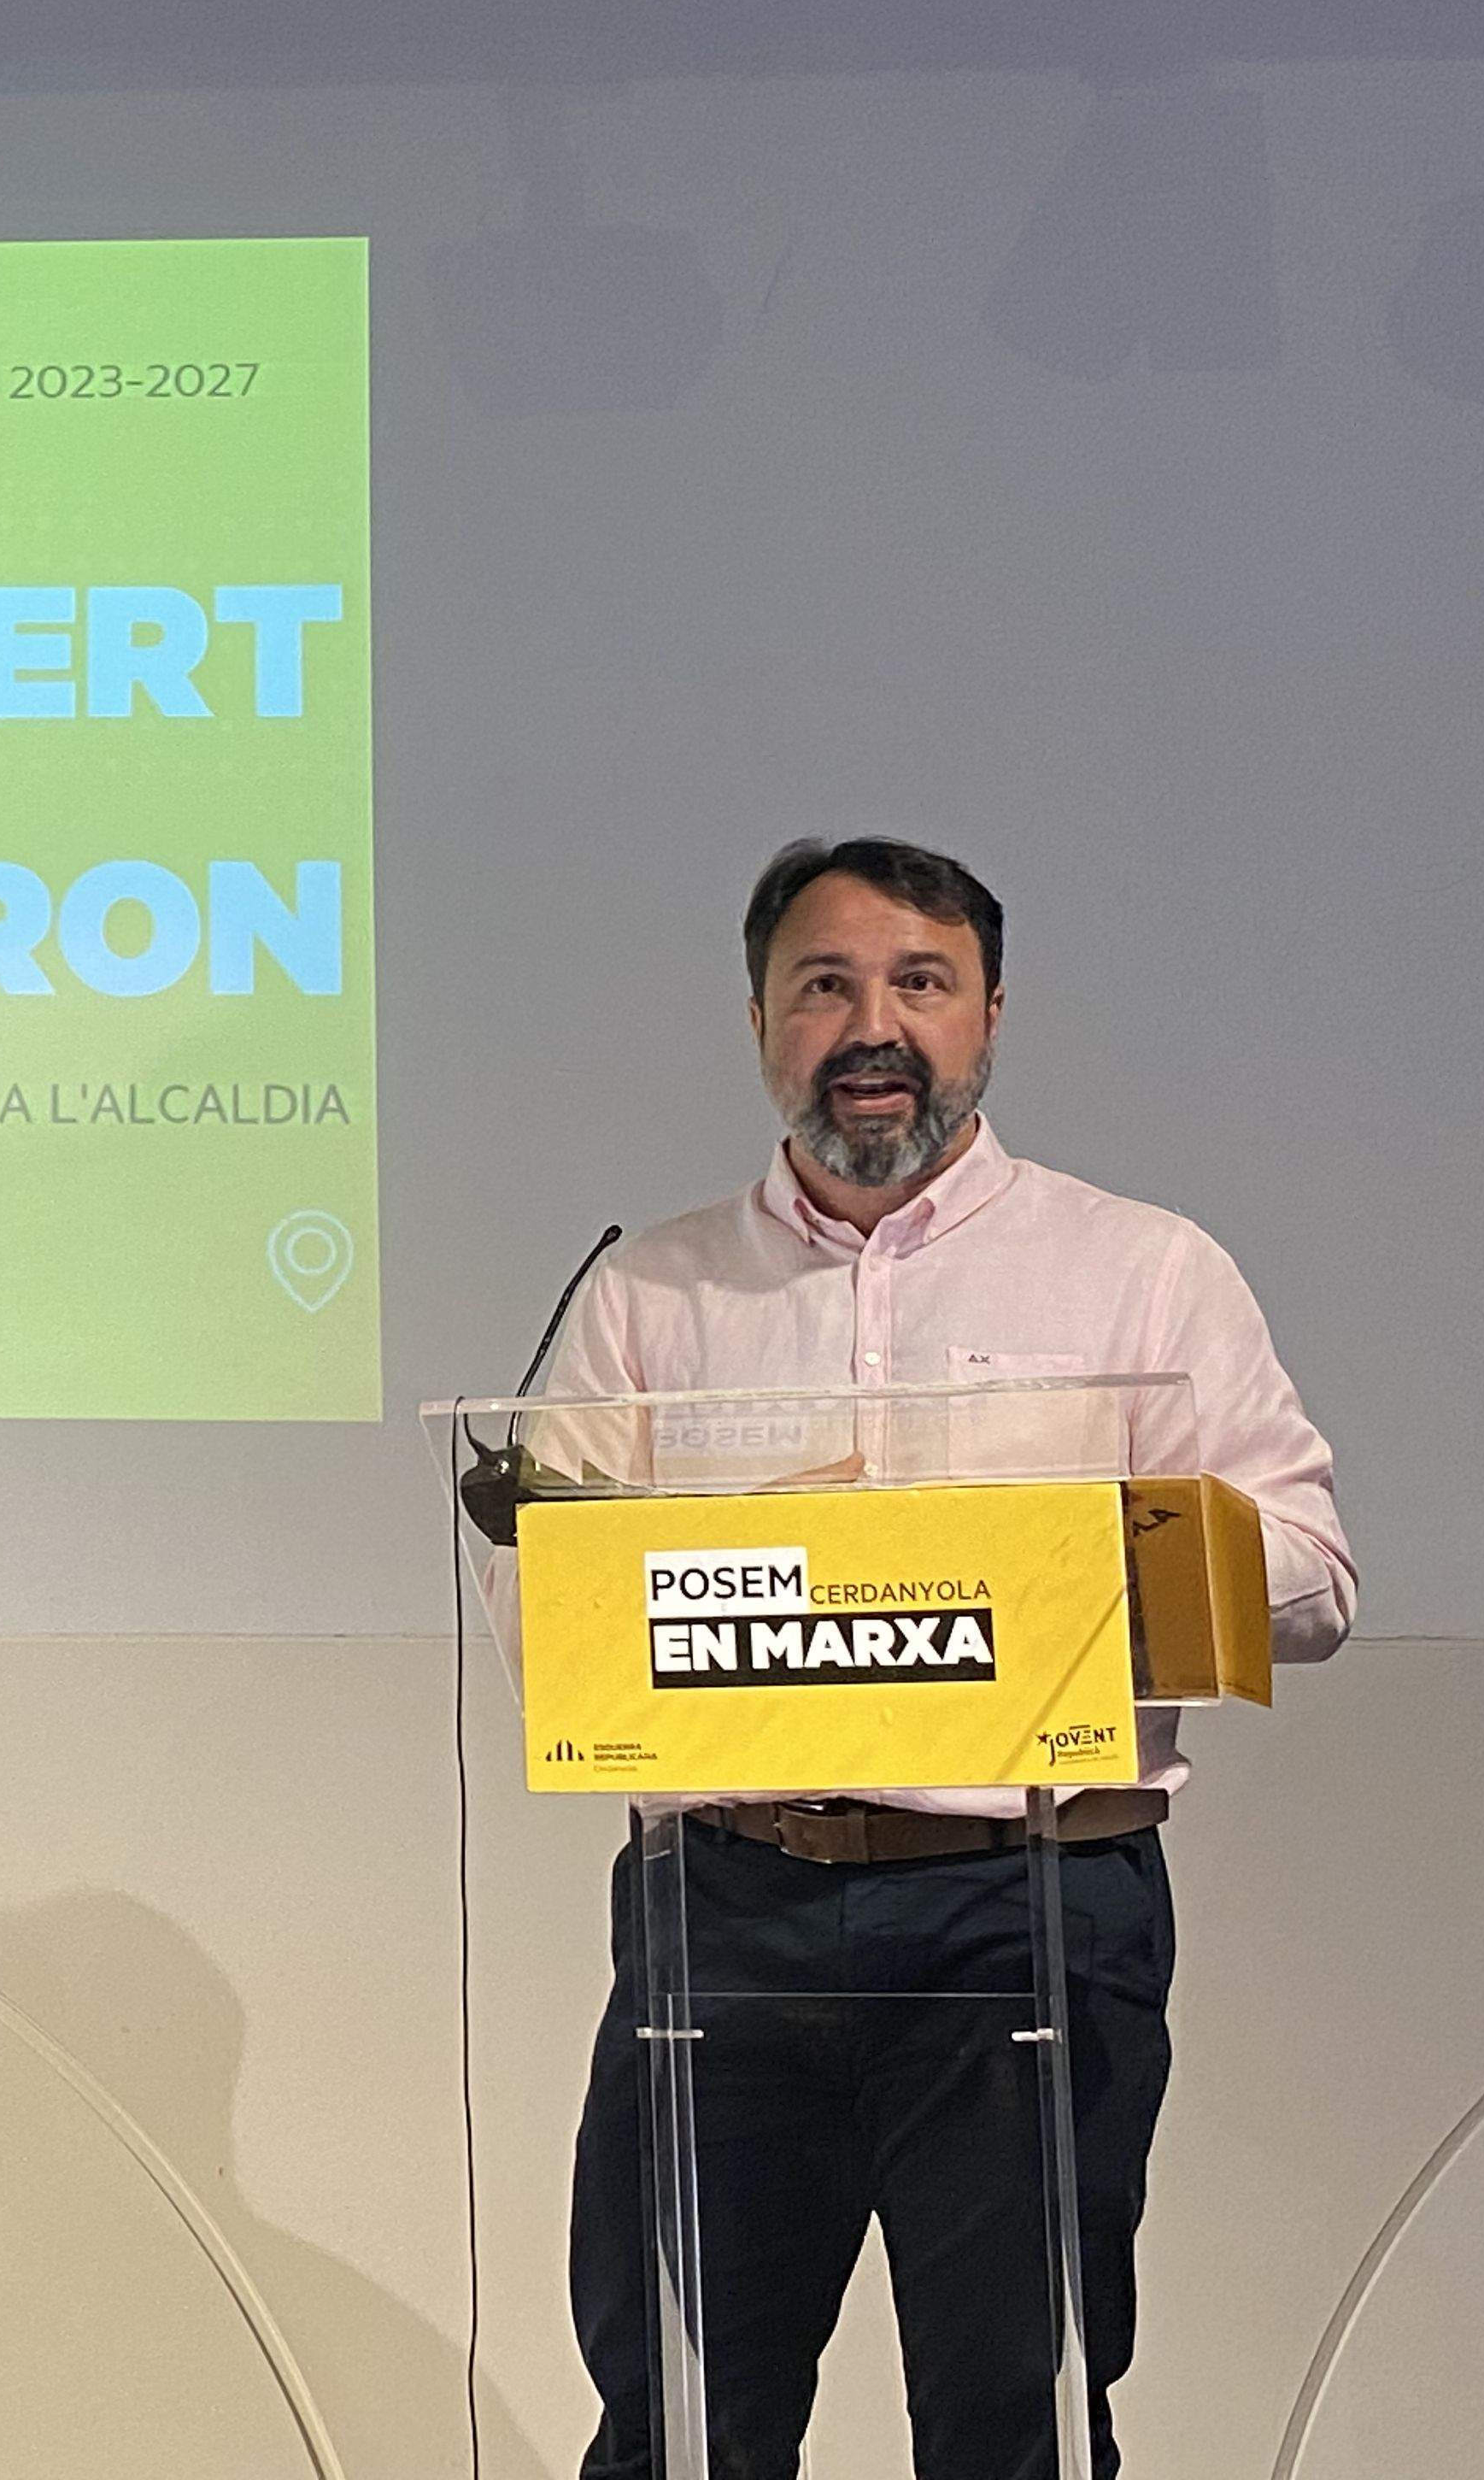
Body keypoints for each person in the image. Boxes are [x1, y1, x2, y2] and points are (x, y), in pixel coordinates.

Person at [548, 837, 1353, 2478]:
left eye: (919, 982)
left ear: (988, 1014)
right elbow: (546, 1590)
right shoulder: (648, 1294)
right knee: (676, 2426)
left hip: (1028, 1902)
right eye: (823, 984)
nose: (873, 1024)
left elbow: (1311, 1579)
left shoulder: (1140, 1270)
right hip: (728, 1907)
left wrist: (1049, 1564)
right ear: (760, 1020)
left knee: (1015, 2427)